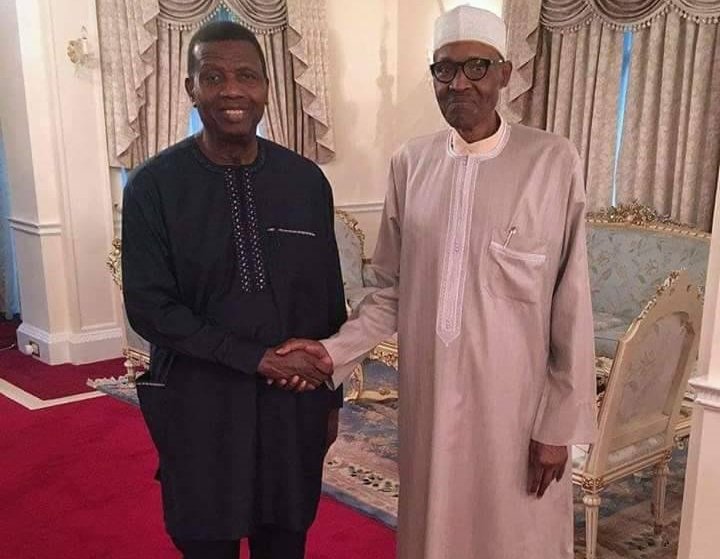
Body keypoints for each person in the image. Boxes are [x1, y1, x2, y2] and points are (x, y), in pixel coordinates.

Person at [278, 6, 597, 558]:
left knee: (516, 536)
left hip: (516, 410)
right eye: (444, 70)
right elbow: (389, 290)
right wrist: (333, 353)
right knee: (435, 533)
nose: (459, 83)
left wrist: (558, 425)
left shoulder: (553, 161)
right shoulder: (411, 163)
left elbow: (572, 306)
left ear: (504, 71)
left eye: (476, 67)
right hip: (428, 402)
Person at [121, 21, 345, 559]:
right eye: (213, 76)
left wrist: (330, 396)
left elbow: (326, 301)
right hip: (200, 405)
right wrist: (255, 359)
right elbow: (150, 307)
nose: (231, 90)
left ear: (267, 87)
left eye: (247, 75)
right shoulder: (154, 185)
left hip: (291, 407)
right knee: (205, 542)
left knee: (285, 542)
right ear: (190, 88)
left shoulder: (305, 181)